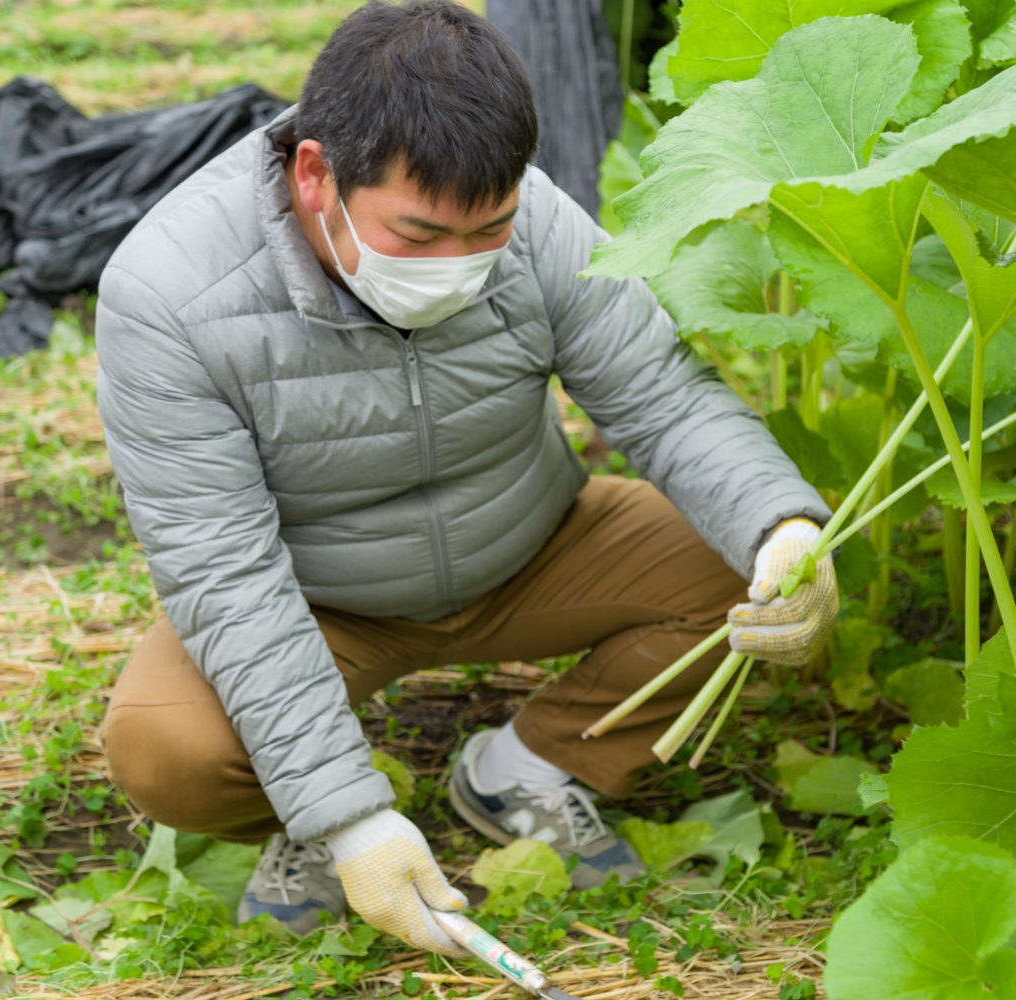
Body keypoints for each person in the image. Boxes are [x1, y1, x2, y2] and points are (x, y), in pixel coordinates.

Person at [92, 0, 838, 957]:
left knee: (764, 575)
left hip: (530, 546)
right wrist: (346, 816)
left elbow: (659, 393)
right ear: (317, 173)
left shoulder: (538, 223)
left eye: (489, 229)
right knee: (168, 751)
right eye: (419, 236)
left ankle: (529, 765)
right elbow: (224, 574)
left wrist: (781, 524)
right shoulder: (168, 292)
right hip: (324, 601)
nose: (461, 266)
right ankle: (312, 830)